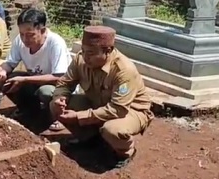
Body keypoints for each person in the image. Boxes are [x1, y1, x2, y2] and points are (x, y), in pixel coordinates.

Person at [50, 25, 154, 168]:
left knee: (112, 130)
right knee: (55, 105)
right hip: (98, 104)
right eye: (84, 51)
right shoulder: (80, 60)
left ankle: (125, 151)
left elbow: (117, 109)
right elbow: (65, 83)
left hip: (130, 111)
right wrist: (60, 98)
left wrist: (78, 116)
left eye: (91, 53)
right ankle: (90, 138)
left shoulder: (123, 71)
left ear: (108, 51)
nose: (85, 56)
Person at [0, 8, 70, 130]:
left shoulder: (55, 43)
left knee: (45, 91)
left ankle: (56, 116)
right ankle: (29, 111)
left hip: (58, 86)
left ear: (42, 31)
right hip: (35, 80)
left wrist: (25, 80)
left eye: (30, 35)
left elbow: (59, 77)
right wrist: (2, 70)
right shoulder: (20, 41)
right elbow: (10, 63)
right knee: (10, 79)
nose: (24, 39)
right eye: (22, 34)